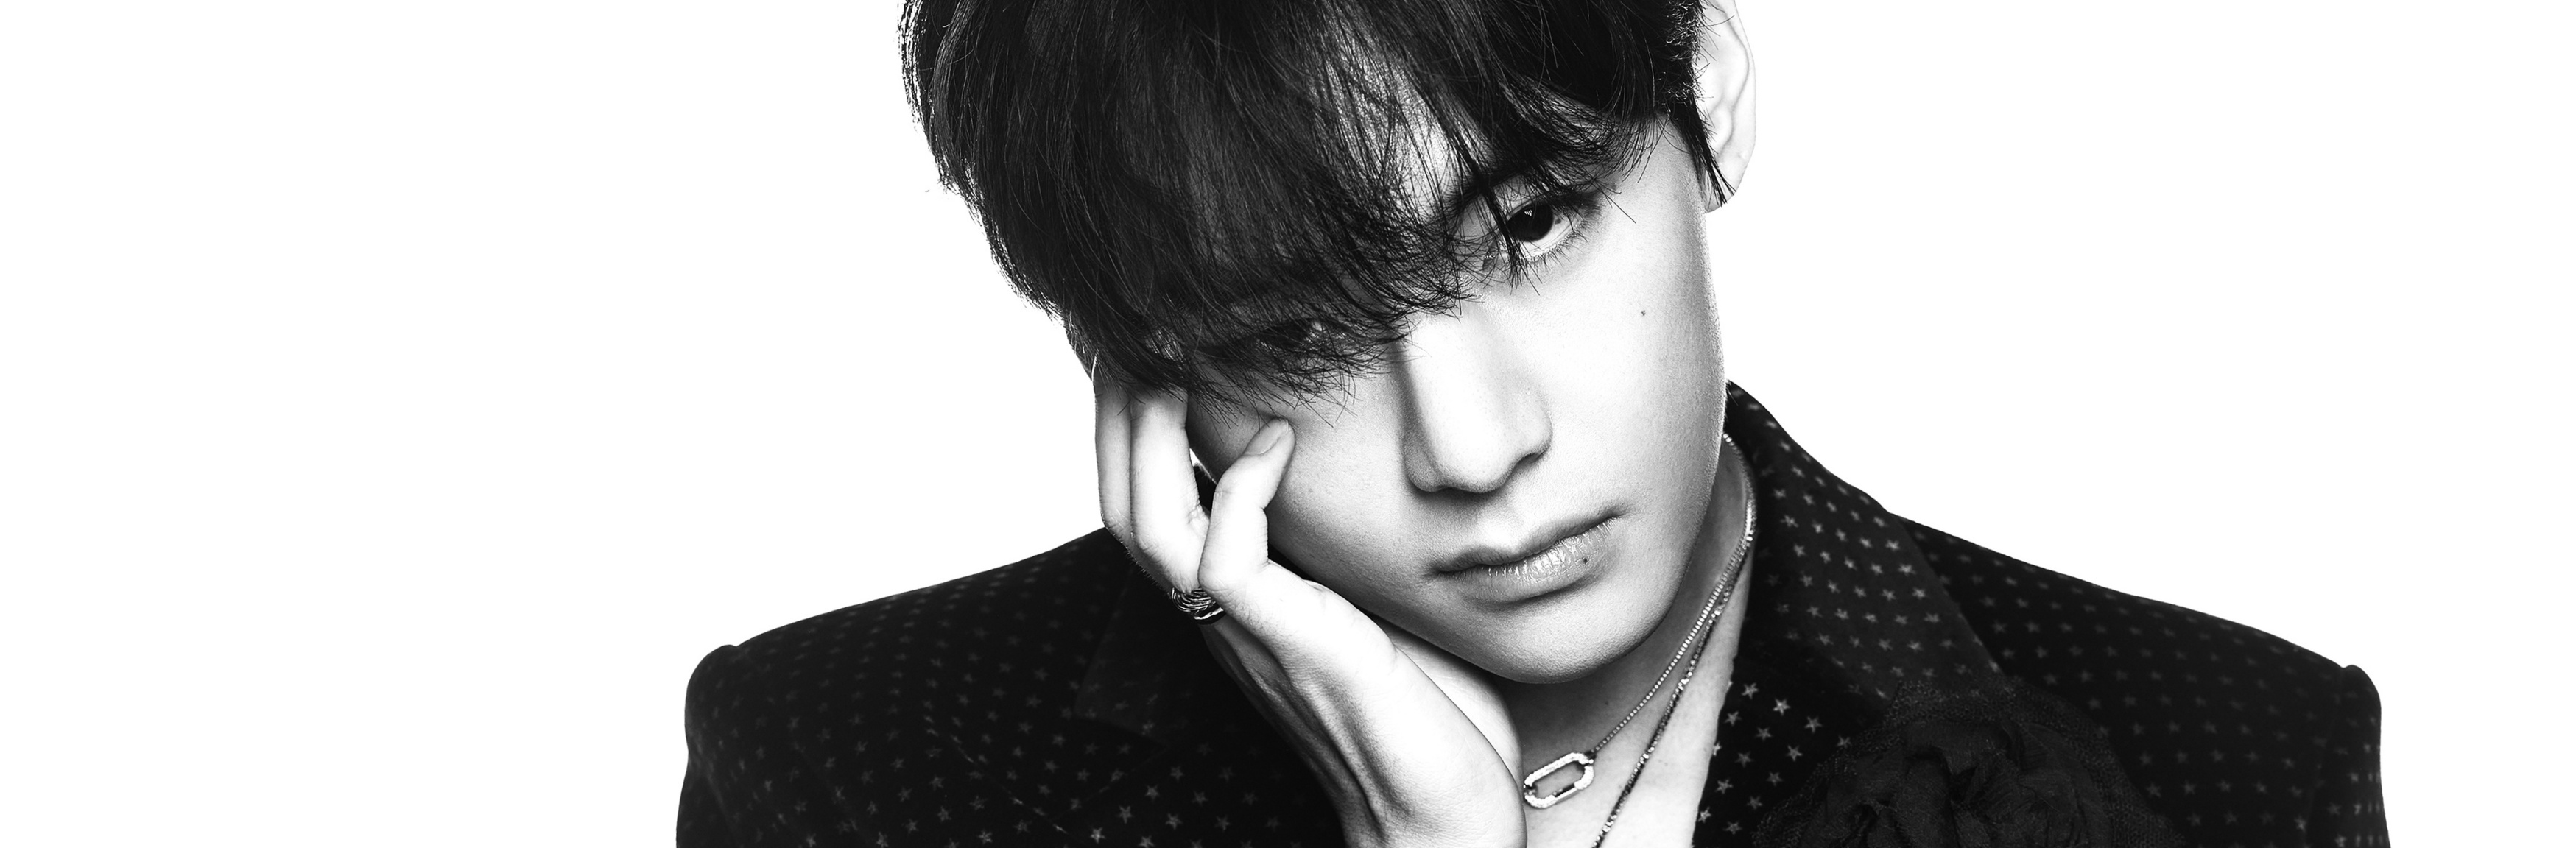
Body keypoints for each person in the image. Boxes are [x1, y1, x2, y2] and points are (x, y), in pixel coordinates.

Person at [678, 0, 2389, 845]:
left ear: (1697, 97)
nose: (1473, 444)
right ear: (1135, 361)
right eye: (1291, 332)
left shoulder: (2223, 762)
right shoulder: (856, 772)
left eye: (1531, 224)